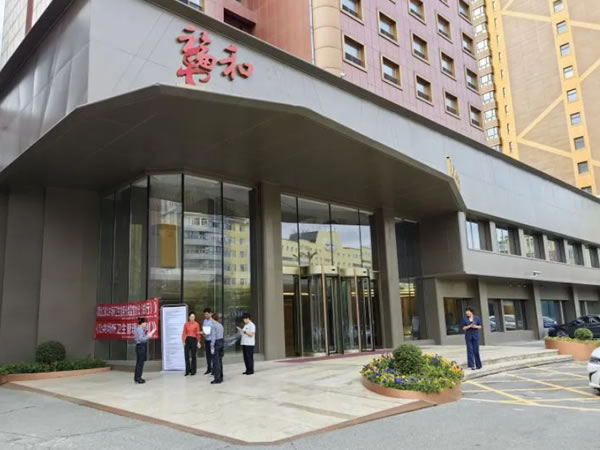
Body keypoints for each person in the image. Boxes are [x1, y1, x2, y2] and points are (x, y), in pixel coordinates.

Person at [134, 317, 156, 384]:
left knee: (139, 362)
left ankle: (137, 377)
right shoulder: (139, 329)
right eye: (145, 322)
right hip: (141, 346)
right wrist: (148, 336)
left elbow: (143, 338)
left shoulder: (140, 329)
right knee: (140, 363)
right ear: (142, 323)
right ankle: (138, 378)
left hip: (141, 346)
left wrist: (148, 335)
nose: (146, 324)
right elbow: (141, 339)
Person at [181, 311, 201, 376]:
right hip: (187, 339)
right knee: (186, 355)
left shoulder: (196, 324)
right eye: (191, 317)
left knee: (193, 355)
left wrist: (198, 341)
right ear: (189, 317)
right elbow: (184, 333)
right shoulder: (186, 324)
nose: (192, 318)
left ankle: (193, 370)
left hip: (194, 340)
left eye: (193, 317)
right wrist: (183, 341)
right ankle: (187, 370)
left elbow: (198, 333)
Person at [210, 313, 225, 384]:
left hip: (216, 343)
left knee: (216, 362)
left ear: (213, 318)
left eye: (211, 318)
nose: (210, 319)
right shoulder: (221, 325)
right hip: (221, 342)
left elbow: (213, 337)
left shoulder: (213, 326)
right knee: (220, 361)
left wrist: (212, 347)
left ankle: (217, 379)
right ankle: (221, 377)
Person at [202, 308, 214, 375]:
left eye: (207, 314)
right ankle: (209, 368)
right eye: (205, 314)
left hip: (211, 340)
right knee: (207, 355)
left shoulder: (213, 321)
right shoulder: (204, 321)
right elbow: (204, 329)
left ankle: (213, 369)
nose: (206, 315)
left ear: (210, 314)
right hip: (206, 340)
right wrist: (203, 334)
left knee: (213, 355)